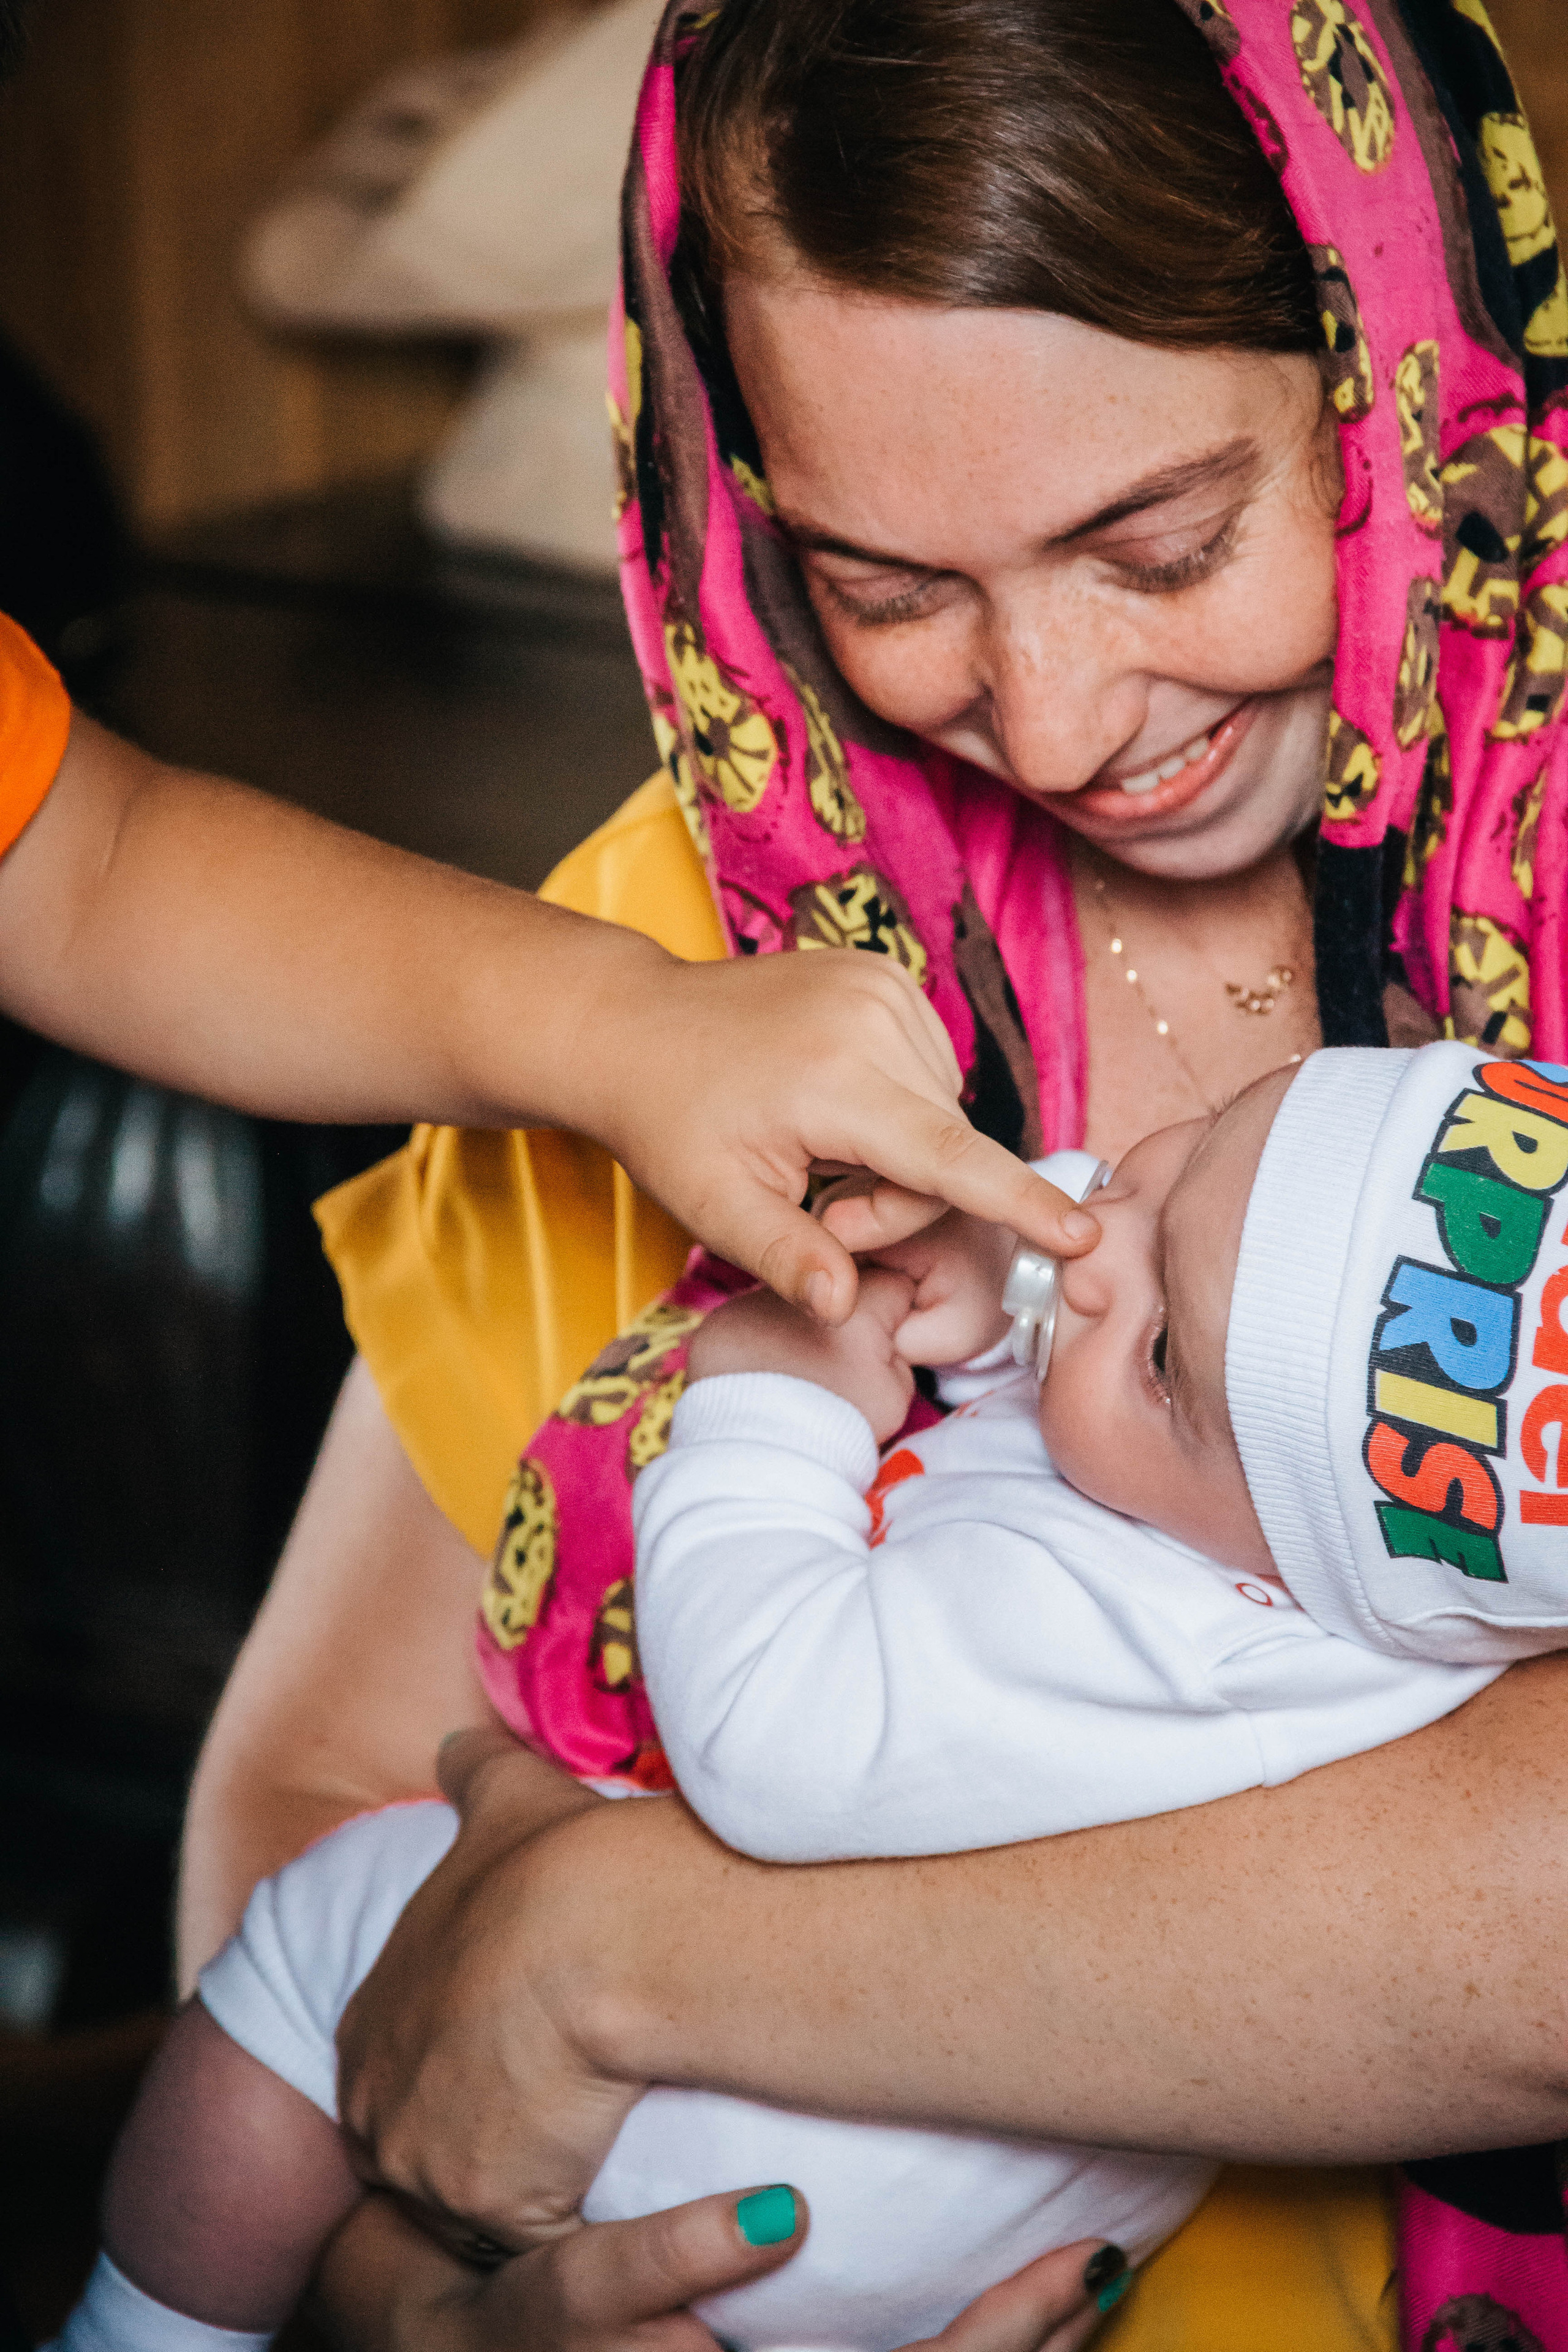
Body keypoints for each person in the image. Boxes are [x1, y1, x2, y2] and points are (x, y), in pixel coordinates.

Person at [177, 0, 1568, 2346]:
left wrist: (633, 1961)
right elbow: (306, 1791)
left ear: (1387, 379)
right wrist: (395, 2294)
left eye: (1164, 537)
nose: (1050, 718)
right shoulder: (680, 965)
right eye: (886, 586)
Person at [61, 1039, 1567, 2352]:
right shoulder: (1355, 1561)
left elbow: (769, 1735)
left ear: (1294, 1565)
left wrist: (769, 1409)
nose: (1097, 1241)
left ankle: (140, 2327)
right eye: (1200, 1145)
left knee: (326, 1921)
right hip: (942, 2228)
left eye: (1160, 1343)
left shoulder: (1112, 1613)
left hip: (742, 2135)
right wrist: (1013, 1294)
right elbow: (1177, 1333)